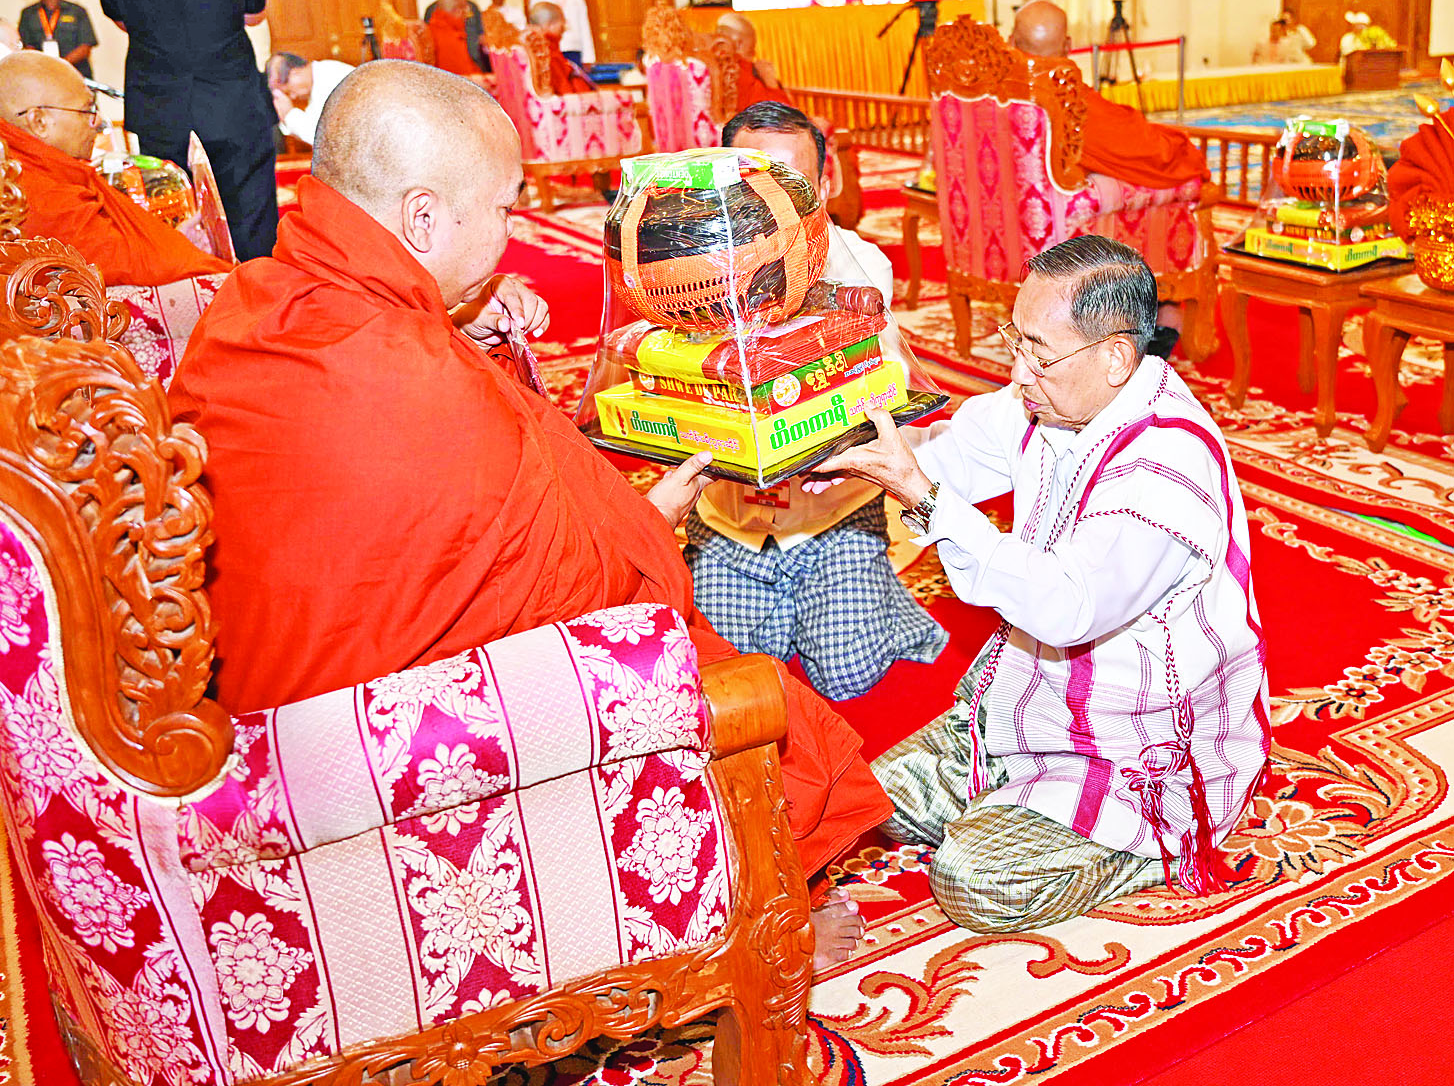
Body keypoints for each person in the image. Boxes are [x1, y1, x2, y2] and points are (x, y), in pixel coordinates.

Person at [167, 60, 882, 968]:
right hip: (374, 767)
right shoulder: (414, 373)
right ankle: (752, 911)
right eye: (504, 209)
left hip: (255, 718)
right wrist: (644, 523)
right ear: (422, 217)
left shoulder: (252, 301)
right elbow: (577, 590)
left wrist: (451, 321)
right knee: (745, 693)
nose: (510, 233)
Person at [813, 235, 1268, 933]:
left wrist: (924, 499)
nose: (1018, 372)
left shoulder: (1165, 465)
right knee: (861, 800)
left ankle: (1161, 844)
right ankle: (1012, 797)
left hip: (1139, 748)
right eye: (1015, 341)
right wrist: (841, 452)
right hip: (1035, 705)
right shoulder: (1049, 402)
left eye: (1038, 353)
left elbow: (1067, 607)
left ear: (1116, 358)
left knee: (974, 881)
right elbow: (946, 455)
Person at [686, 101, 947, 701]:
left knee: (847, 676)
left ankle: (867, 588)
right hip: (733, 520)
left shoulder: (863, 267)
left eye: (793, 187)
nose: (771, 207)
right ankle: (787, 605)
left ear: (825, 187)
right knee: (731, 676)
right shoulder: (690, 274)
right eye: (752, 187)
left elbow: (878, 389)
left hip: (833, 514)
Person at [89, 0, 278, 262]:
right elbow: (255, 14)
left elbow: (121, 19)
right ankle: (257, 293)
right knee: (251, 219)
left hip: (160, 104)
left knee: (176, 219)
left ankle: (193, 295)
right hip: (233, 99)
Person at [0, 50, 228, 284]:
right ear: (39, 121)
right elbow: (131, 268)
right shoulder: (34, 197)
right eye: (87, 110)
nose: (97, 121)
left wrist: (178, 241)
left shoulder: (48, 170)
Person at [1009, 0, 1209, 192]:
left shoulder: (995, 92)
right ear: (1068, 45)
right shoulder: (1073, 104)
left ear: (1010, 41)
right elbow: (1158, 154)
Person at [18, 0, 98, 79]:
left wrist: (60, 65)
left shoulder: (77, 11)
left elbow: (85, 46)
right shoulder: (28, 14)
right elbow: (27, 46)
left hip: (77, 75)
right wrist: (46, 67)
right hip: (44, 78)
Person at [266, 51, 354, 147]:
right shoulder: (318, 80)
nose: (293, 97)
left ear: (295, 73)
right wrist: (284, 117)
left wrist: (289, 114)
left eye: (290, 92)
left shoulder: (330, 77)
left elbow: (323, 140)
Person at [423, 0, 489, 82]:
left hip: (474, 61)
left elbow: (482, 36)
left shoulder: (471, 6)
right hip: (449, 74)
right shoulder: (432, 12)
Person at [716, 12, 792, 113]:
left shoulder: (708, 69)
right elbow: (783, 115)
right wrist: (771, 83)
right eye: (752, 48)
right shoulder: (743, 72)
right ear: (738, 44)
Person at [529, 2, 596, 93]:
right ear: (550, 25)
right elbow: (565, 91)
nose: (564, 29)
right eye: (562, 24)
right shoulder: (548, 54)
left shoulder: (533, 47)